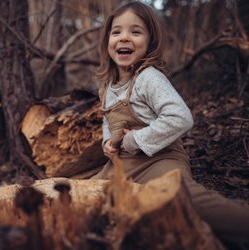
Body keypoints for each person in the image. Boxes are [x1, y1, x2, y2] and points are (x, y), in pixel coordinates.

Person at [91, 1, 249, 247]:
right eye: (116, 32)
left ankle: (240, 225)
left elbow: (181, 117)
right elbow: (107, 120)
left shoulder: (149, 78)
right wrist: (106, 142)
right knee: (86, 198)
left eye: (135, 31)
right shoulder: (107, 87)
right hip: (122, 166)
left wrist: (134, 140)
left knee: (185, 200)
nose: (124, 38)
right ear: (107, 42)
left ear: (150, 41)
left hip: (160, 160)